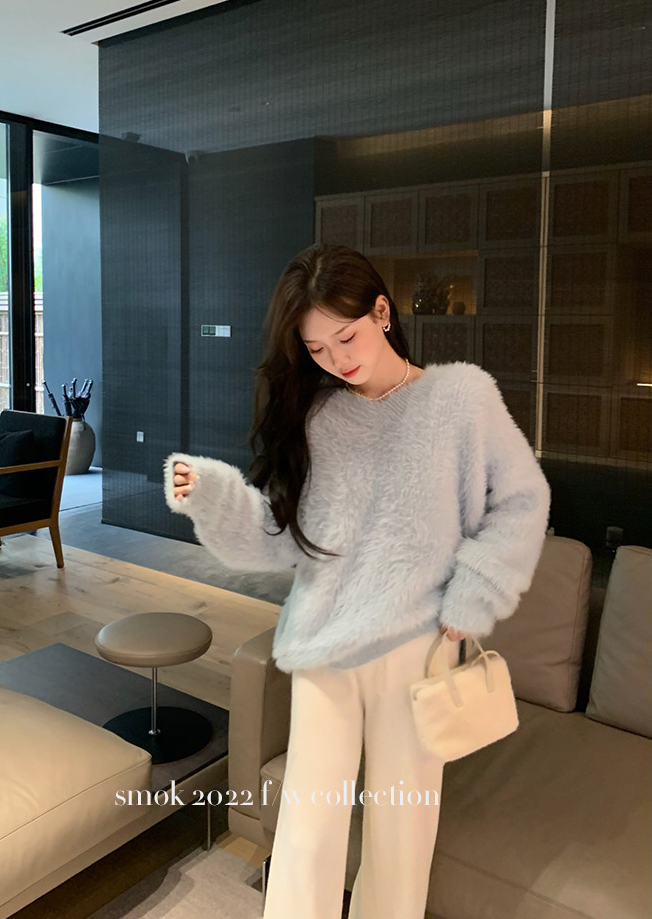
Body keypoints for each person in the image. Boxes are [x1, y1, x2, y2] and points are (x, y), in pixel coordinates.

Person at [163, 244, 551, 919]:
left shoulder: (461, 397)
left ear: (382, 312)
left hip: (417, 647)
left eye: (346, 338)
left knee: (402, 834)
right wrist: (213, 495)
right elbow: (284, 539)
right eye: (316, 349)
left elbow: (523, 500)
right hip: (325, 643)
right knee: (307, 829)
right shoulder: (321, 417)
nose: (336, 360)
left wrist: (473, 596)